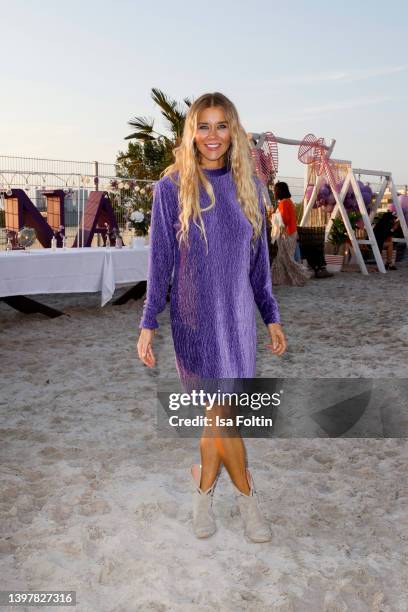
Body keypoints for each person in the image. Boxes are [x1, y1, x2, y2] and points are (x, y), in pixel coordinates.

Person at [137, 92, 286, 543]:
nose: (213, 136)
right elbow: (159, 261)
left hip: (239, 322)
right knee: (221, 414)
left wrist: (271, 317)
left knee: (217, 417)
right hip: (195, 321)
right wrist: (148, 321)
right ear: (192, 132)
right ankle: (248, 502)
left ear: (233, 131)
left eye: (222, 126)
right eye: (204, 126)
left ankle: (203, 490)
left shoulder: (252, 189)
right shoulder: (171, 188)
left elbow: (258, 265)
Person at [270, 181, 310, 285]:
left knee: (286, 258)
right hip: (291, 232)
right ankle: (278, 279)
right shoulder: (289, 202)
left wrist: (272, 216)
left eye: (275, 191)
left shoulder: (284, 203)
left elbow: (283, 220)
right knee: (282, 257)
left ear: (279, 191)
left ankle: (302, 275)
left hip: (286, 234)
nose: (274, 193)